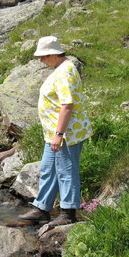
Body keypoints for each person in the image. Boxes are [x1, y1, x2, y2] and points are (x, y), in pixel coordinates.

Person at [18, 36, 93, 226]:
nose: (41, 61)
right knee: (48, 169)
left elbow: (67, 105)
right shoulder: (61, 69)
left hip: (67, 133)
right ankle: (42, 209)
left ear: (53, 54)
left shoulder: (65, 72)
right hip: (54, 133)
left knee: (66, 171)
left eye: (43, 57)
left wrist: (59, 135)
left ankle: (68, 212)